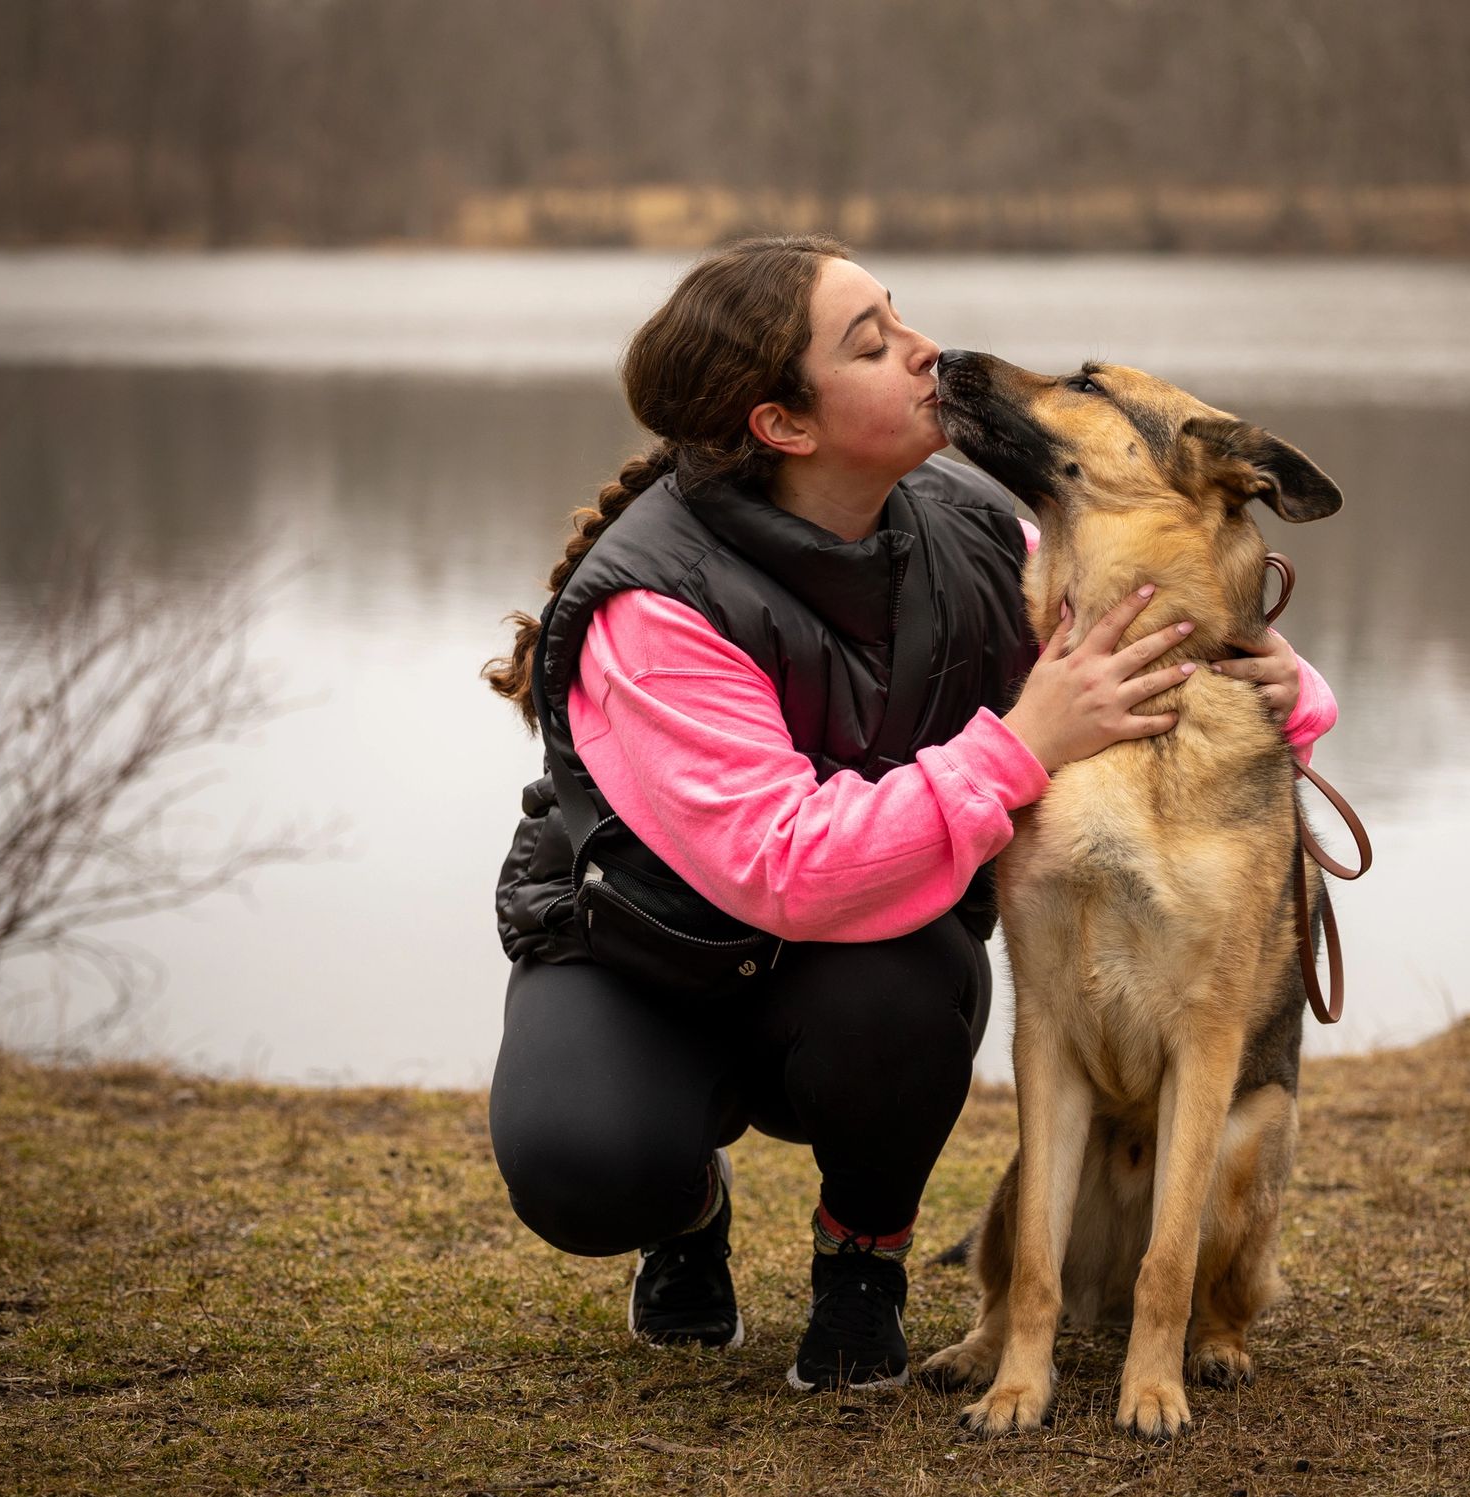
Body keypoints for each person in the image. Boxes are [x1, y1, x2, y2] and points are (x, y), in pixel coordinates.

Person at [483, 234, 1337, 1392]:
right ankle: (683, 1216)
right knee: (587, 1160)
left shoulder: (974, 531)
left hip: (841, 973)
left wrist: (1288, 684)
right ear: (785, 426)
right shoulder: (655, 606)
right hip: (654, 961)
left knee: (920, 978)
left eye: (902, 315)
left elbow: (1157, 608)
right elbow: (790, 865)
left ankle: (864, 1260)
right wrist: (1026, 744)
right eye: (872, 344)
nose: (923, 350)